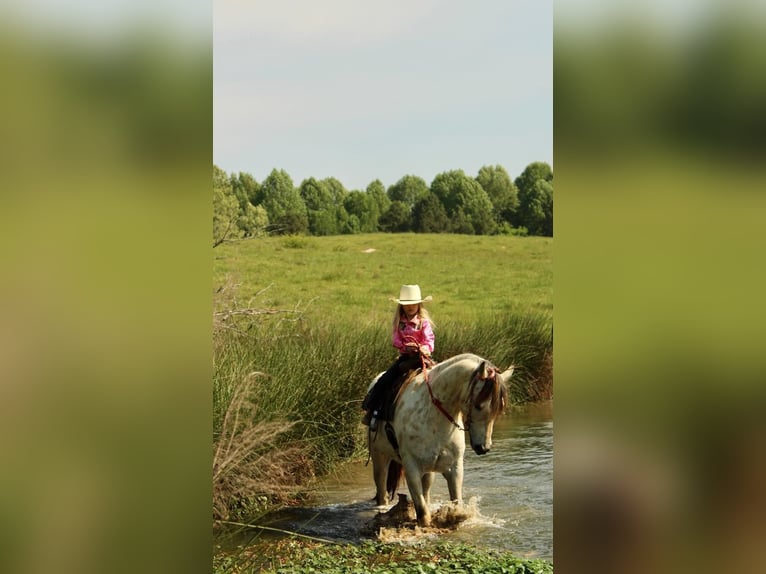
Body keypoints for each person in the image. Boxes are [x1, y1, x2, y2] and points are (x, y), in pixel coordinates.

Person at [362, 284, 435, 431]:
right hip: (405, 359)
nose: (410, 307)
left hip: (422, 359)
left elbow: (429, 340)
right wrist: (404, 346)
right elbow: (395, 340)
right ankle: (373, 412)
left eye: (413, 304)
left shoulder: (423, 323)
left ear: (418, 304)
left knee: (439, 381)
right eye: (407, 304)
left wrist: (423, 348)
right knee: (384, 380)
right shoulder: (399, 323)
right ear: (402, 306)